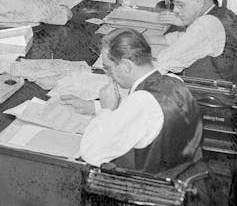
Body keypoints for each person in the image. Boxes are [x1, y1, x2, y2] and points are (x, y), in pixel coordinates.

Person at [61, 29, 203, 176]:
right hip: (185, 173)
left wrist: (106, 111)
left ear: (126, 66)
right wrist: (96, 107)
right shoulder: (175, 81)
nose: (108, 76)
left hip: (150, 186)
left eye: (108, 69)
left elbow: (91, 153)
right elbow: (150, 114)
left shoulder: (140, 102)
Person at [154, 0, 237, 85]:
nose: (175, 10)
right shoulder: (222, 12)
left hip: (218, 97)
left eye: (180, 5)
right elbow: (189, 39)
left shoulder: (206, 24)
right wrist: (146, 38)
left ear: (200, 2)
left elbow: (164, 63)